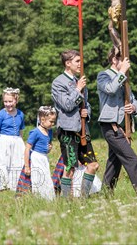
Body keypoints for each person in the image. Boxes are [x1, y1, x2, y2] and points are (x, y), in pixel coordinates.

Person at [97, 48, 137, 197]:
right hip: (110, 126)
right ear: (114, 60)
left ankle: (105, 195)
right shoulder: (103, 75)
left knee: (114, 163)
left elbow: (134, 100)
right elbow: (111, 89)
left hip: (121, 127)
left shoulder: (124, 78)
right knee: (132, 160)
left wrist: (133, 107)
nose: (126, 63)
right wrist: (122, 72)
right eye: (122, 59)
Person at [51, 49, 99, 198]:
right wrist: (78, 89)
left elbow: (87, 104)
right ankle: (66, 202)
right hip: (68, 131)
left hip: (83, 131)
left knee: (93, 165)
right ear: (68, 63)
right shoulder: (58, 83)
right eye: (77, 61)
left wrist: (87, 113)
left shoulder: (80, 81)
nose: (80, 64)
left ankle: (83, 198)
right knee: (70, 168)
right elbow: (66, 105)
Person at [17, 106, 56, 200]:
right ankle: (38, 197)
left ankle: (48, 198)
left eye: (54, 121)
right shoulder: (35, 132)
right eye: (51, 121)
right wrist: (27, 166)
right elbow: (27, 149)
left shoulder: (49, 131)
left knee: (46, 177)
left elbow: (48, 146)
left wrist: (49, 148)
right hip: (36, 158)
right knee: (38, 178)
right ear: (42, 120)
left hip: (44, 158)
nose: (53, 123)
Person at [0, 88, 25, 191]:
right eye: (5, 101)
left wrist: (21, 142)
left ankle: (15, 184)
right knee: (4, 162)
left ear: (16, 101)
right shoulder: (0, 114)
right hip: (4, 141)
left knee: (18, 162)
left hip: (17, 141)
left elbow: (20, 131)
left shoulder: (20, 114)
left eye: (10, 101)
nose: (8, 104)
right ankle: (3, 184)